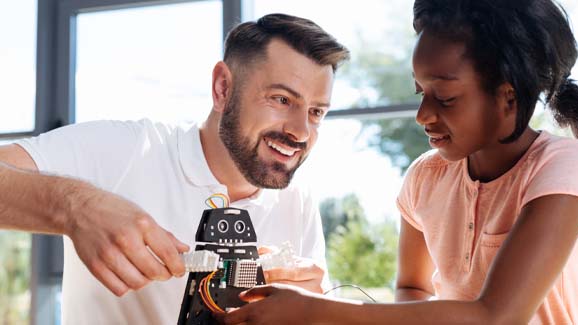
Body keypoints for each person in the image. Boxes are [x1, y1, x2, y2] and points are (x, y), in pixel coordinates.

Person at [222, 1, 578, 324]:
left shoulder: (563, 166)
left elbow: (496, 316)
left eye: (445, 98)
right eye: (420, 92)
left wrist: (317, 311)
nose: (422, 115)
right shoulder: (425, 178)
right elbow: (412, 287)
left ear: (508, 97)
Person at [0, 13, 349, 324]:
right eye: (281, 100)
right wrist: (75, 207)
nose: (300, 131)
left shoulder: (297, 201)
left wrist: (313, 311)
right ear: (223, 88)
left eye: (316, 112)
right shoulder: (123, 150)